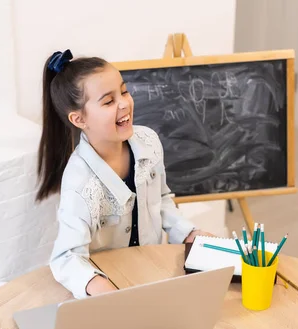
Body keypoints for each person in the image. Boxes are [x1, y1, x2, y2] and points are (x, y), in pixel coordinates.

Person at [36, 49, 214, 299]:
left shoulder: (149, 141)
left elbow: (161, 200)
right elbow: (66, 257)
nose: (124, 103)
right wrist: (101, 289)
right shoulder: (79, 181)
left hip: (156, 274)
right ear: (79, 119)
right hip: (111, 287)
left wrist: (189, 233)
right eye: (108, 101)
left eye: (124, 91)